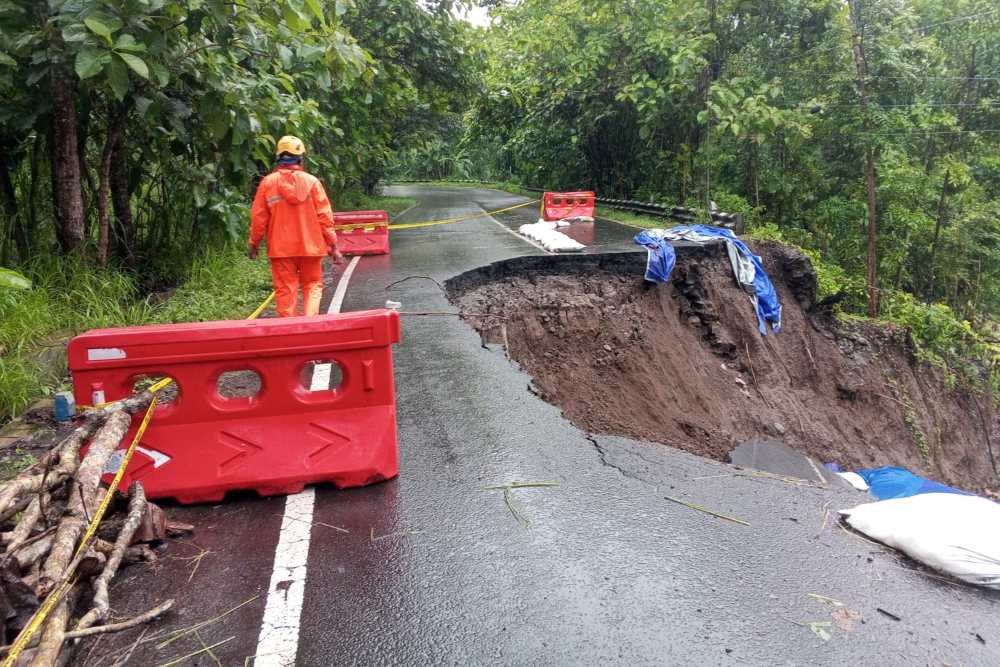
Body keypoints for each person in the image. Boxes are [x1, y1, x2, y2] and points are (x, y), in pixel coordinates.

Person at [249, 135, 346, 317]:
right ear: (301, 158)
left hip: (281, 249)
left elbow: (258, 218)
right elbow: (325, 218)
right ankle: (310, 326)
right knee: (312, 286)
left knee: (286, 290)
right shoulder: (312, 183)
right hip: (312, 247)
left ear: (278, 157)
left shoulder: (268, 183)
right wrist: (333, 245)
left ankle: (289, 333)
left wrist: (254, 243)